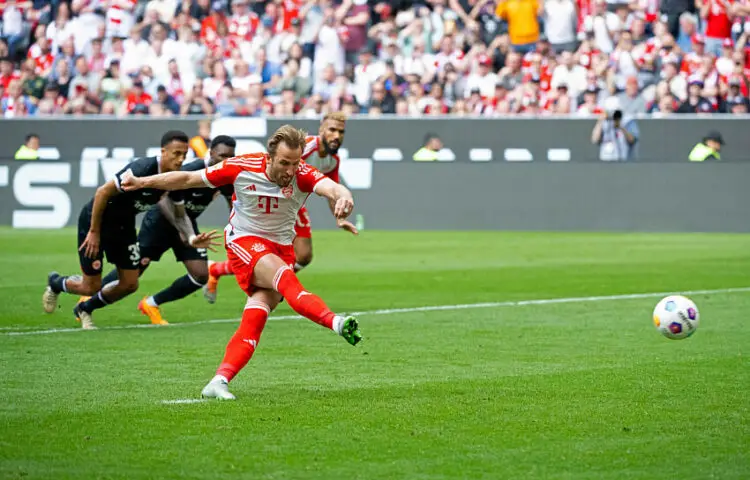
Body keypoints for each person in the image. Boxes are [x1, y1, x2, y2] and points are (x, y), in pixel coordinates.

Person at [120, 125, 363, 400]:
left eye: (295, 163)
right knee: (285, 279)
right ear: (269, 158)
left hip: (280, 248)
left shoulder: (302, 174)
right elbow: (188, 178)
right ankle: (337, 323)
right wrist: (142, 183)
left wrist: (345, 197)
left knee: (257, 316)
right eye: (284, 163)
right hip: (244, 242)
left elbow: (332, 187)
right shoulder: (242, 166)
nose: (290, 171)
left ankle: (219, 380)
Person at [41, 131, 216, 330]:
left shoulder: (172, 180)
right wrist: (94, 232)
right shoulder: (142, 167)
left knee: (130, 284)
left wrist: (191, 237)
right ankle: (56, 283)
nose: (180, 159)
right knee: (91, 286)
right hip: (97, 221)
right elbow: (103, 192)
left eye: (184, 155)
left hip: (124, 227)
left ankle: (85, 309)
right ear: (163, 151)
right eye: (176, 153)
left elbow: (178, 213)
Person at [203, 112, 359, 303]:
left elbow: (331, 190)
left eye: (341, 132)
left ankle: (221, 270)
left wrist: (339, 218)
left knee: (303, 256)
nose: (336, 136)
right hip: (271, 200)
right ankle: (275, 283)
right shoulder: (305, 148)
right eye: (332, 130)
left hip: (292, 203)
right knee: (277, 254)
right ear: (321, 129)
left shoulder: (333, 160)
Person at [98, 136, 236, 324]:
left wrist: (236, 226)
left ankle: (151, 304)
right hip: (159, 223)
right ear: (210, 153)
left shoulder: (226, 177)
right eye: (222, 156)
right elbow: (163, 197)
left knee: (200, 275)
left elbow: (233, 203)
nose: (226, 160)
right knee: (135, 270)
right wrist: (181, 226)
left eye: (231, 156)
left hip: (187, 225)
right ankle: (93, 293)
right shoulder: (191, 170)